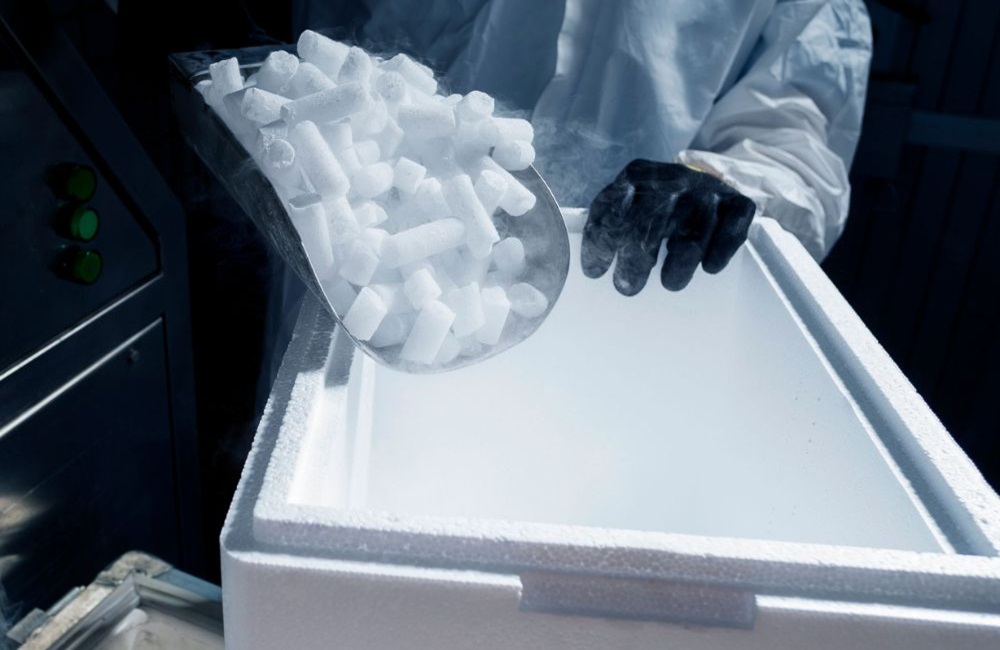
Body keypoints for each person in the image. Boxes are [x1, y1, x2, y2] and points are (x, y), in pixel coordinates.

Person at [294, 0, 872, 294]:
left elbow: (797, 151)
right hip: (383, 273)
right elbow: (337, 47)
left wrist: (714, 185)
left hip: (619, 301)